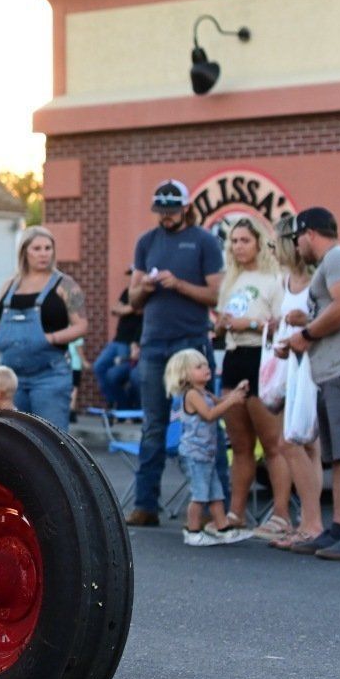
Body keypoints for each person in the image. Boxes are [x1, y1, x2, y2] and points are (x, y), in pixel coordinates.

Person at [279, 207, 340, 562]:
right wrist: (305, 320)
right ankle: (339, 529)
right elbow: (333, 310)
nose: (296, 246)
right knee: (339, 459)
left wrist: (306, 333)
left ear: (309, 233)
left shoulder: (338, 258)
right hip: (332, 375)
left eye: (297, 238)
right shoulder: (329, 265)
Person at [124, 181, 225, 527]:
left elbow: (215, 295)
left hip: (190, 341)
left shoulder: (204, 241)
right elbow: (132, 300)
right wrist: (146, 287)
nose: (165, 217)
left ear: (186, 208)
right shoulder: (146, 242)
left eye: (171, 210)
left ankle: (216, 508)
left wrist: (178, 284)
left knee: (205, 421)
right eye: (161, 211)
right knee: (153, 424)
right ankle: (145, 505)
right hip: (154, 342)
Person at [212, 218, 286, 532]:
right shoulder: (231, 279)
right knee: (240, 444)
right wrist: (221, 325)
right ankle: (236, 513)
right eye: (235, 241)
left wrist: (252, 325)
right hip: (233, 356)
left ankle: (281, 515)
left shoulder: (274, 279)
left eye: (245, 240)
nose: (239, 246)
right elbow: (220, 321)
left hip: (262, 356)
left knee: (272, 444)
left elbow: (284, 324)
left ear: (259, 242)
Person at [0, 225, 87, 430]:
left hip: (50, 377)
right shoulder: (9, 285)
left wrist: (51, 338)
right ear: (25, 251)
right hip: (9, 379)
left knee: (51, 441)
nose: (43, 254)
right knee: (12, 438)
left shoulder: (65, 285)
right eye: (37, 248)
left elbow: (81, 326)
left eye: (48, 248)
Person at [269, 232, 326, 550]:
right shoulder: (284, 281)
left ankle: (312, 523)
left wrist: (304, 321)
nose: (272, 250)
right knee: (308, 447)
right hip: (291, 367)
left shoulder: (315, 281)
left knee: (290, 442)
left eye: (274, 243)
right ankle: (310, 520)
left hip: (309, 370)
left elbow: (324, 320)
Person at [166, 348, 253, 546]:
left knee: (216, 493)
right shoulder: (191, 395)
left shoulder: (204, 392)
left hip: (206, 454)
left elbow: (219, 403)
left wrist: (236, 392)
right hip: (194, 455)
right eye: (199, 367)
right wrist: (231, 401)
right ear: (185, 374)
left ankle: (223, 529)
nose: (206, 369)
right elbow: (210, 414)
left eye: (206, 364)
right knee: (200, 495)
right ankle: (192, 531)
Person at [92, 276, 142, 413]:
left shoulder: (146, 293)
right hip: (117, 340)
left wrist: (125, 309)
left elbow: (141, 311)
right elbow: (115, 309)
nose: (133, 277)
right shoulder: (127, 291)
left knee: (121, 375)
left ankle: (128, 409)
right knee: (99, 367)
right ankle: (117, 403)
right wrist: (132, 307)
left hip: (131, 344)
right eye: (131, 275)